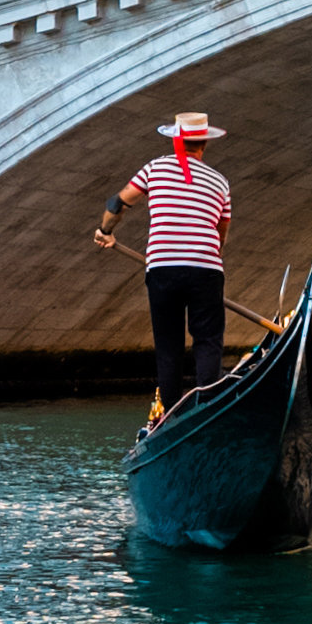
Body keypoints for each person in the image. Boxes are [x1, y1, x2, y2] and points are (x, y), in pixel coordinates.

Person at [96, 110, 236, 413]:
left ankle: (171, 412)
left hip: (163, 268)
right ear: (204, 144)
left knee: (168, 344)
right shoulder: (220, 182)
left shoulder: (155, 168)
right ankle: (208, 406)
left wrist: (105, 231)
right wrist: (207, 259)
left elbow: (118, 202)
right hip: (206, 269)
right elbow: (220, 235)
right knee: (208, 341)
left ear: (176, 139)